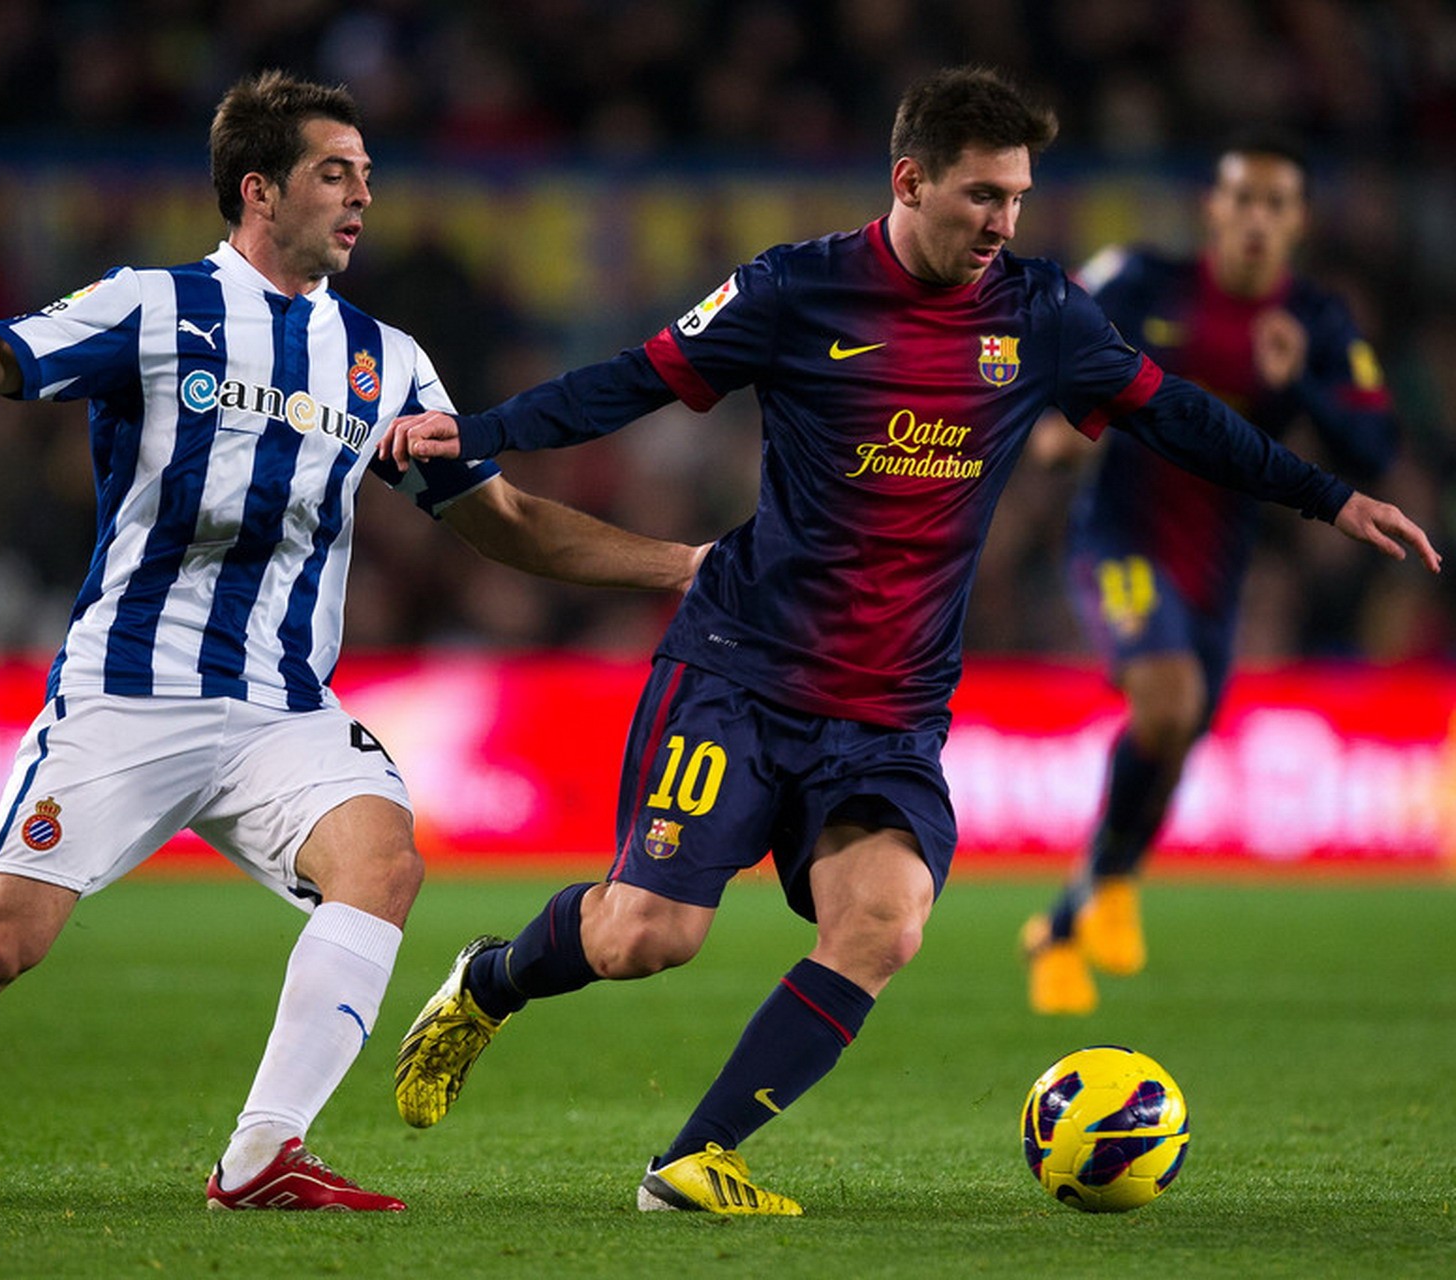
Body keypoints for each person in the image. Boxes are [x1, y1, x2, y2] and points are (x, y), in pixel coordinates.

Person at [383, 66, 1440, 1217]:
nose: (1005, 222)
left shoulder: (1038, 314)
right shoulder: (796, 290)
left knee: (884, 919)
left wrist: (1322, 496)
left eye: (1019, 197)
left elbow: (1172, 412)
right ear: (910, 180)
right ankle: (490, 980)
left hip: (888, 707)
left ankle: (694, 1159)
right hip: (742, 669)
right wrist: (471, 432)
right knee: (647, 934)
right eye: (983, 195)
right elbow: (630, 381)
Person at [0, 70, 704, 1212]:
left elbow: (501, 521)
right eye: (333, 173)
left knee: (385, 861)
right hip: (130, 691)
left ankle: (261, 1152)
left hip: (281, 706)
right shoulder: (155, 308)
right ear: (259, 190)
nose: (360, 197)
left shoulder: (385, 359)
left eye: (366, 175)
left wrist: (684, 564)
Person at [1018, 138, 1400, 1016]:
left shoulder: (1315, 320)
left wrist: (1300, 379)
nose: (1258, 219)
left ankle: (1072, 916)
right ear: (1215, 211)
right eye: (1244, 200)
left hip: (1218, 565)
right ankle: (1108, 887)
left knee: (1178, 732)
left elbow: (1376, 445)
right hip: (1120, 538)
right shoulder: (1142, 280)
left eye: (1278, 204)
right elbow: (1050, 341)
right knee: (1167, 698)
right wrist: (1050, 424)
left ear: (1298, 222)